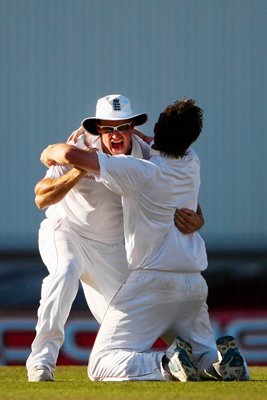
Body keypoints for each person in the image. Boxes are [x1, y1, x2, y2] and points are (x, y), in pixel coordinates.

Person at [40, 98, 250, 382]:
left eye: (125, 127)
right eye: (109, 128)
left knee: (101, 365)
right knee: (205, 353)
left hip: (151, 280)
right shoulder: (191, 160)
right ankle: (221, 361)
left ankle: (165, 364)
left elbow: (69, 155)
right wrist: (200, 221)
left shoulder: (137, 169)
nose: (117, 134)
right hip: (193, 283)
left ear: (144, 129)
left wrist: (48, 151)